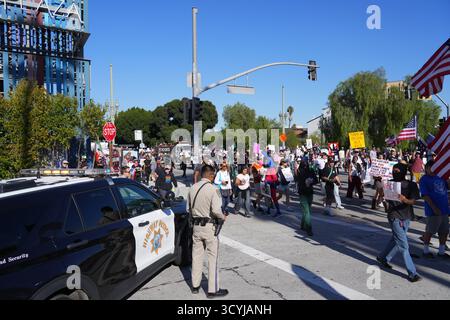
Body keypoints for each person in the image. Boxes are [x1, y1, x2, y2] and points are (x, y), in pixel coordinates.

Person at [187, 165, 228, 298]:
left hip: (196, 227)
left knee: (196, 256)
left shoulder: (192, 188)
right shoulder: (213, 189)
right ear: (211, 175)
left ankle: (195, 286)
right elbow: (216, 211)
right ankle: (212, 290)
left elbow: (188, 209)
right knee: (212, 258)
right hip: (209, 227)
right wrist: (223, 217)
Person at [377, 163, 422, 283]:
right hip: (394, 217)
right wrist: (381, 188)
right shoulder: (389, 183)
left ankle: (383, 258)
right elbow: (382, 197)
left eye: (397, 171)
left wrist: (405, 199)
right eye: (393, 171)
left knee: (396, 240)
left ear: (403, 172)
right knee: (403, 245)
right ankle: (412, 273)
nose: (395, 173)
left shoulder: (411, 185)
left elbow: (413, 201)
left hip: (406, 217)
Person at [419, 161, 450, 259]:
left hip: (444, 209)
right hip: (433, 210)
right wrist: (434, 207)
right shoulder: (424, 179)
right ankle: (426, 251)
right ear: (427, 168)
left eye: (435, 168)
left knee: (444, 231)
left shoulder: (441, 176)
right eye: (431, 168)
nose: (433, 170)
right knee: (430, 231)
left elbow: (447, 187)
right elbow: (425, 195)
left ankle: (441, 251)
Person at [297, 158, 317, 236]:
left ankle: (302, 225)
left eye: (306, 163)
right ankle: (309, 228)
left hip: (309, 192)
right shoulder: (299, 171)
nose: (305, 164)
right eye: (303, 163)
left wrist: (311, 181)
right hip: (302, 193)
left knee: (307, 210)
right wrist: (306, 181)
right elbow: (298, 180)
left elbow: (316, 180)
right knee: (307, 211)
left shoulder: (311, 170)